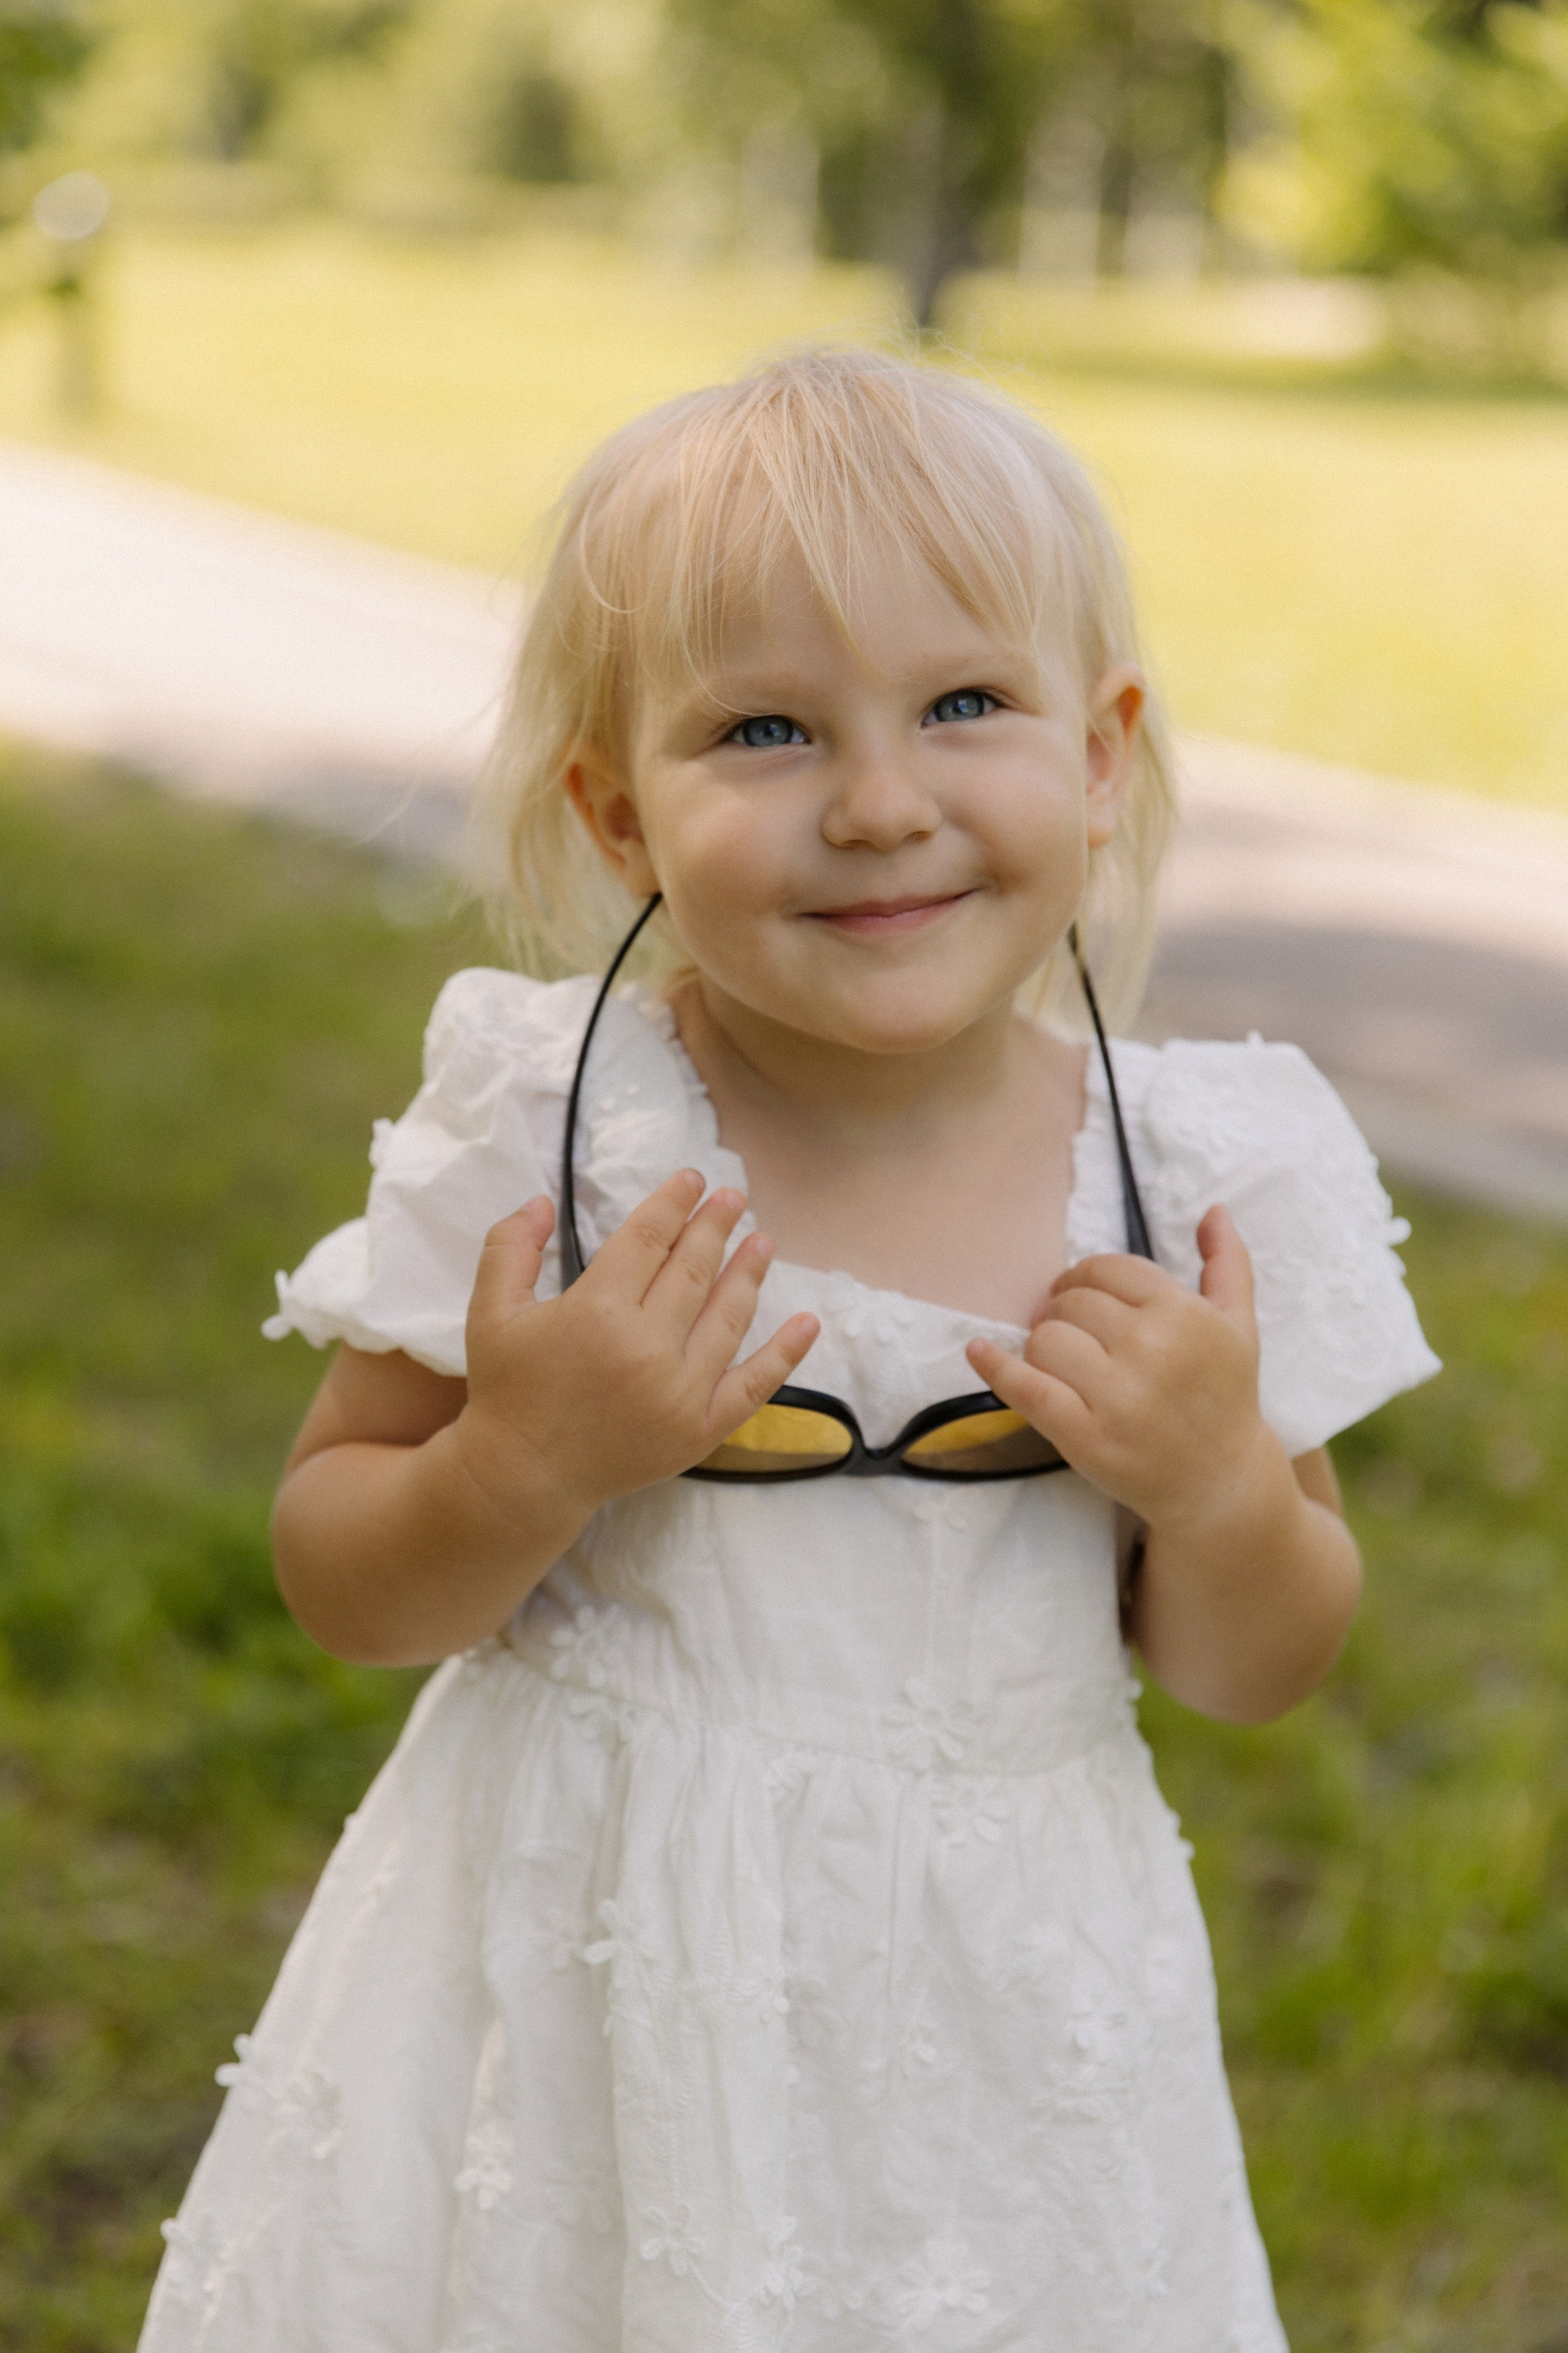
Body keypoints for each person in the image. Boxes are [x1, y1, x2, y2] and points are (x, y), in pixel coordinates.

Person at [140, 347, 1439, 2352]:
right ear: (618, 812)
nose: (881, 802)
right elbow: (343, 1575)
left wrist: (1216, 1489)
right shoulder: (560, 1139)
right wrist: (523, 1461)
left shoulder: (1192, 1180)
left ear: (1103, 757)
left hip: (1005, 2032)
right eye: (764, 728)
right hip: (583, 1987)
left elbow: (1259, 1666)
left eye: (965, 704)